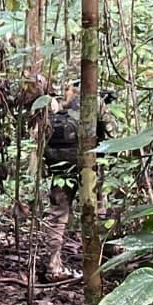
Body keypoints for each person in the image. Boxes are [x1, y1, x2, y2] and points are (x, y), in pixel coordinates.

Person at [41, 83, 111, 281]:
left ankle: (53, 265)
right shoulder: (93, 102)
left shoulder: (55, 106)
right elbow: (113, 132)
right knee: (96, 210)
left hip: (59, 167)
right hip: (88, 165)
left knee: (57, 215)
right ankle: (97, 263)